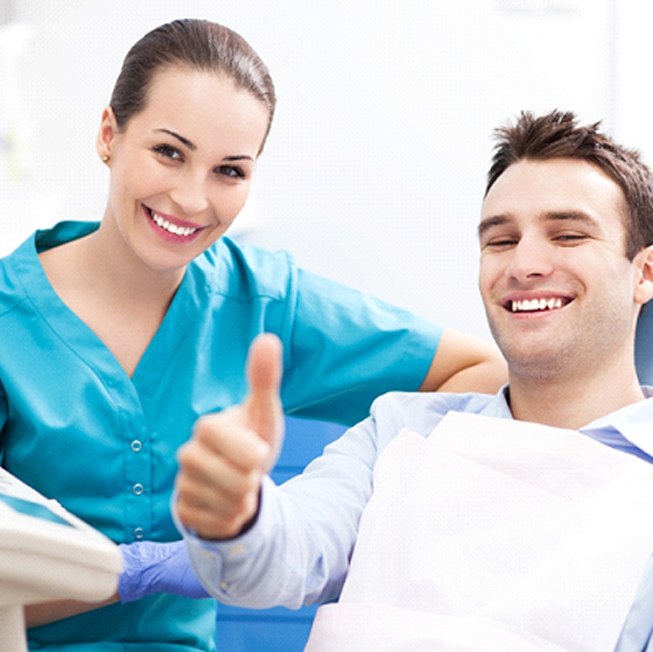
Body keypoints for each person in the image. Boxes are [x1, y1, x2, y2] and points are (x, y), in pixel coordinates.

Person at [0, 17, 506, 652]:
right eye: (169, 152)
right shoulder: (8, 320)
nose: (190, 197)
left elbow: (480, 374)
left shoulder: (265, 301)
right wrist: (128, 575)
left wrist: (306, 517)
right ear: (109, 135)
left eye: (229, 171)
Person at [174, 110, 653, 651]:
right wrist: (238, 514)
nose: (524, 263)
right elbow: (285, 555)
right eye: (500, 240)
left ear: (645, 273)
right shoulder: (399, 432)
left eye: (567, 235)